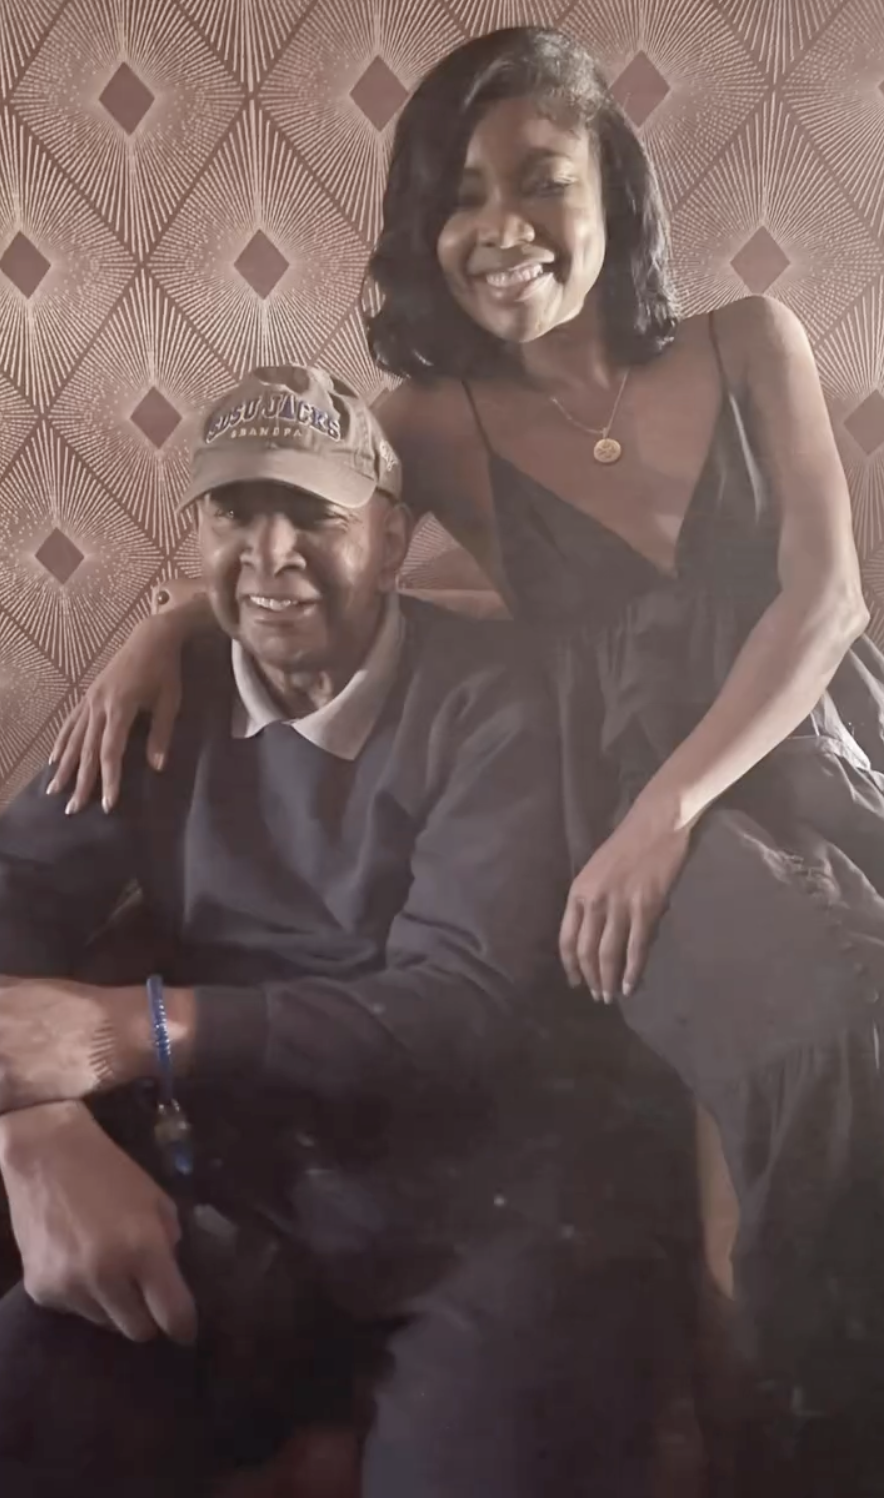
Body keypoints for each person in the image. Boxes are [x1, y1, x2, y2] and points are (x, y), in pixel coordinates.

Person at [46, 22, 884, 1476]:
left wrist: (675, 807)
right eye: (457, 194)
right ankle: (806, 1428)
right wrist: (162, 630)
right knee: (812, 1021)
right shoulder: (431, 420)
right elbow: (311, 536)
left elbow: (828, 601)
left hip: (802, 736)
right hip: (617, 791)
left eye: (539, 178)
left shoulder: (751, 339)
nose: (500, 226)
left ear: (611, 184)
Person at [0, 364, 659, 1498]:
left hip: (476, 1206)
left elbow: (457, 1005)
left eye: (313, 513)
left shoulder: (494, 700)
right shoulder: (162, 693)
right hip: (233, 1189)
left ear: (392, 541)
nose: (271, 554)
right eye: (234, 513)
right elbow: (12, 886)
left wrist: (135, 1030)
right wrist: (40, 1125)